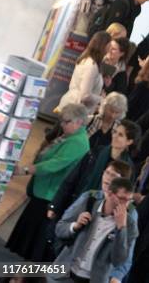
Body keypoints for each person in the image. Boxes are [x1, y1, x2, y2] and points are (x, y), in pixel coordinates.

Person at [7, 104, 91, 262]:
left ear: (79, 122)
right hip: (44, 192)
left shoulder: (78, 142)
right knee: (28, 243)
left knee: (33, 246)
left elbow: (54, 164)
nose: (62, 124)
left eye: (66, 121)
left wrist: (26, 169)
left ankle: (22, 276)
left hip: (49, 196)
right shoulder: (70, 136)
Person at [50, 177, 138, 283]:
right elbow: (59, 229)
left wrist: (121, 229)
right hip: (64, 273)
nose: (125, 204)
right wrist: (75, 226)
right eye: (122, 199)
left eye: (129, 200)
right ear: (109, 193)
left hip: (94, 279)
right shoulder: (88, 204)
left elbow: (118, 261)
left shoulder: (130, 224)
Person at [50, 119, 137, 219]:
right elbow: (72, 178)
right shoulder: (95, 153)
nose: (114, 136)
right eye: (115, 132)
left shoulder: (128, 169)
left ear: (129, 141)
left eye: (120, 135)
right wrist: (55, 205)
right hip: (76, 204)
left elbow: (123, 198)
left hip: (99, 216)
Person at [58, 31, 111, 115]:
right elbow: (85, 95)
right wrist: (101, 99)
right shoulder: (91, 66)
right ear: (103, 46)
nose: (110, 49)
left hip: (74, 106)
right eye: (109, 45)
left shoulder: (88, 60)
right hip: (76, 110)